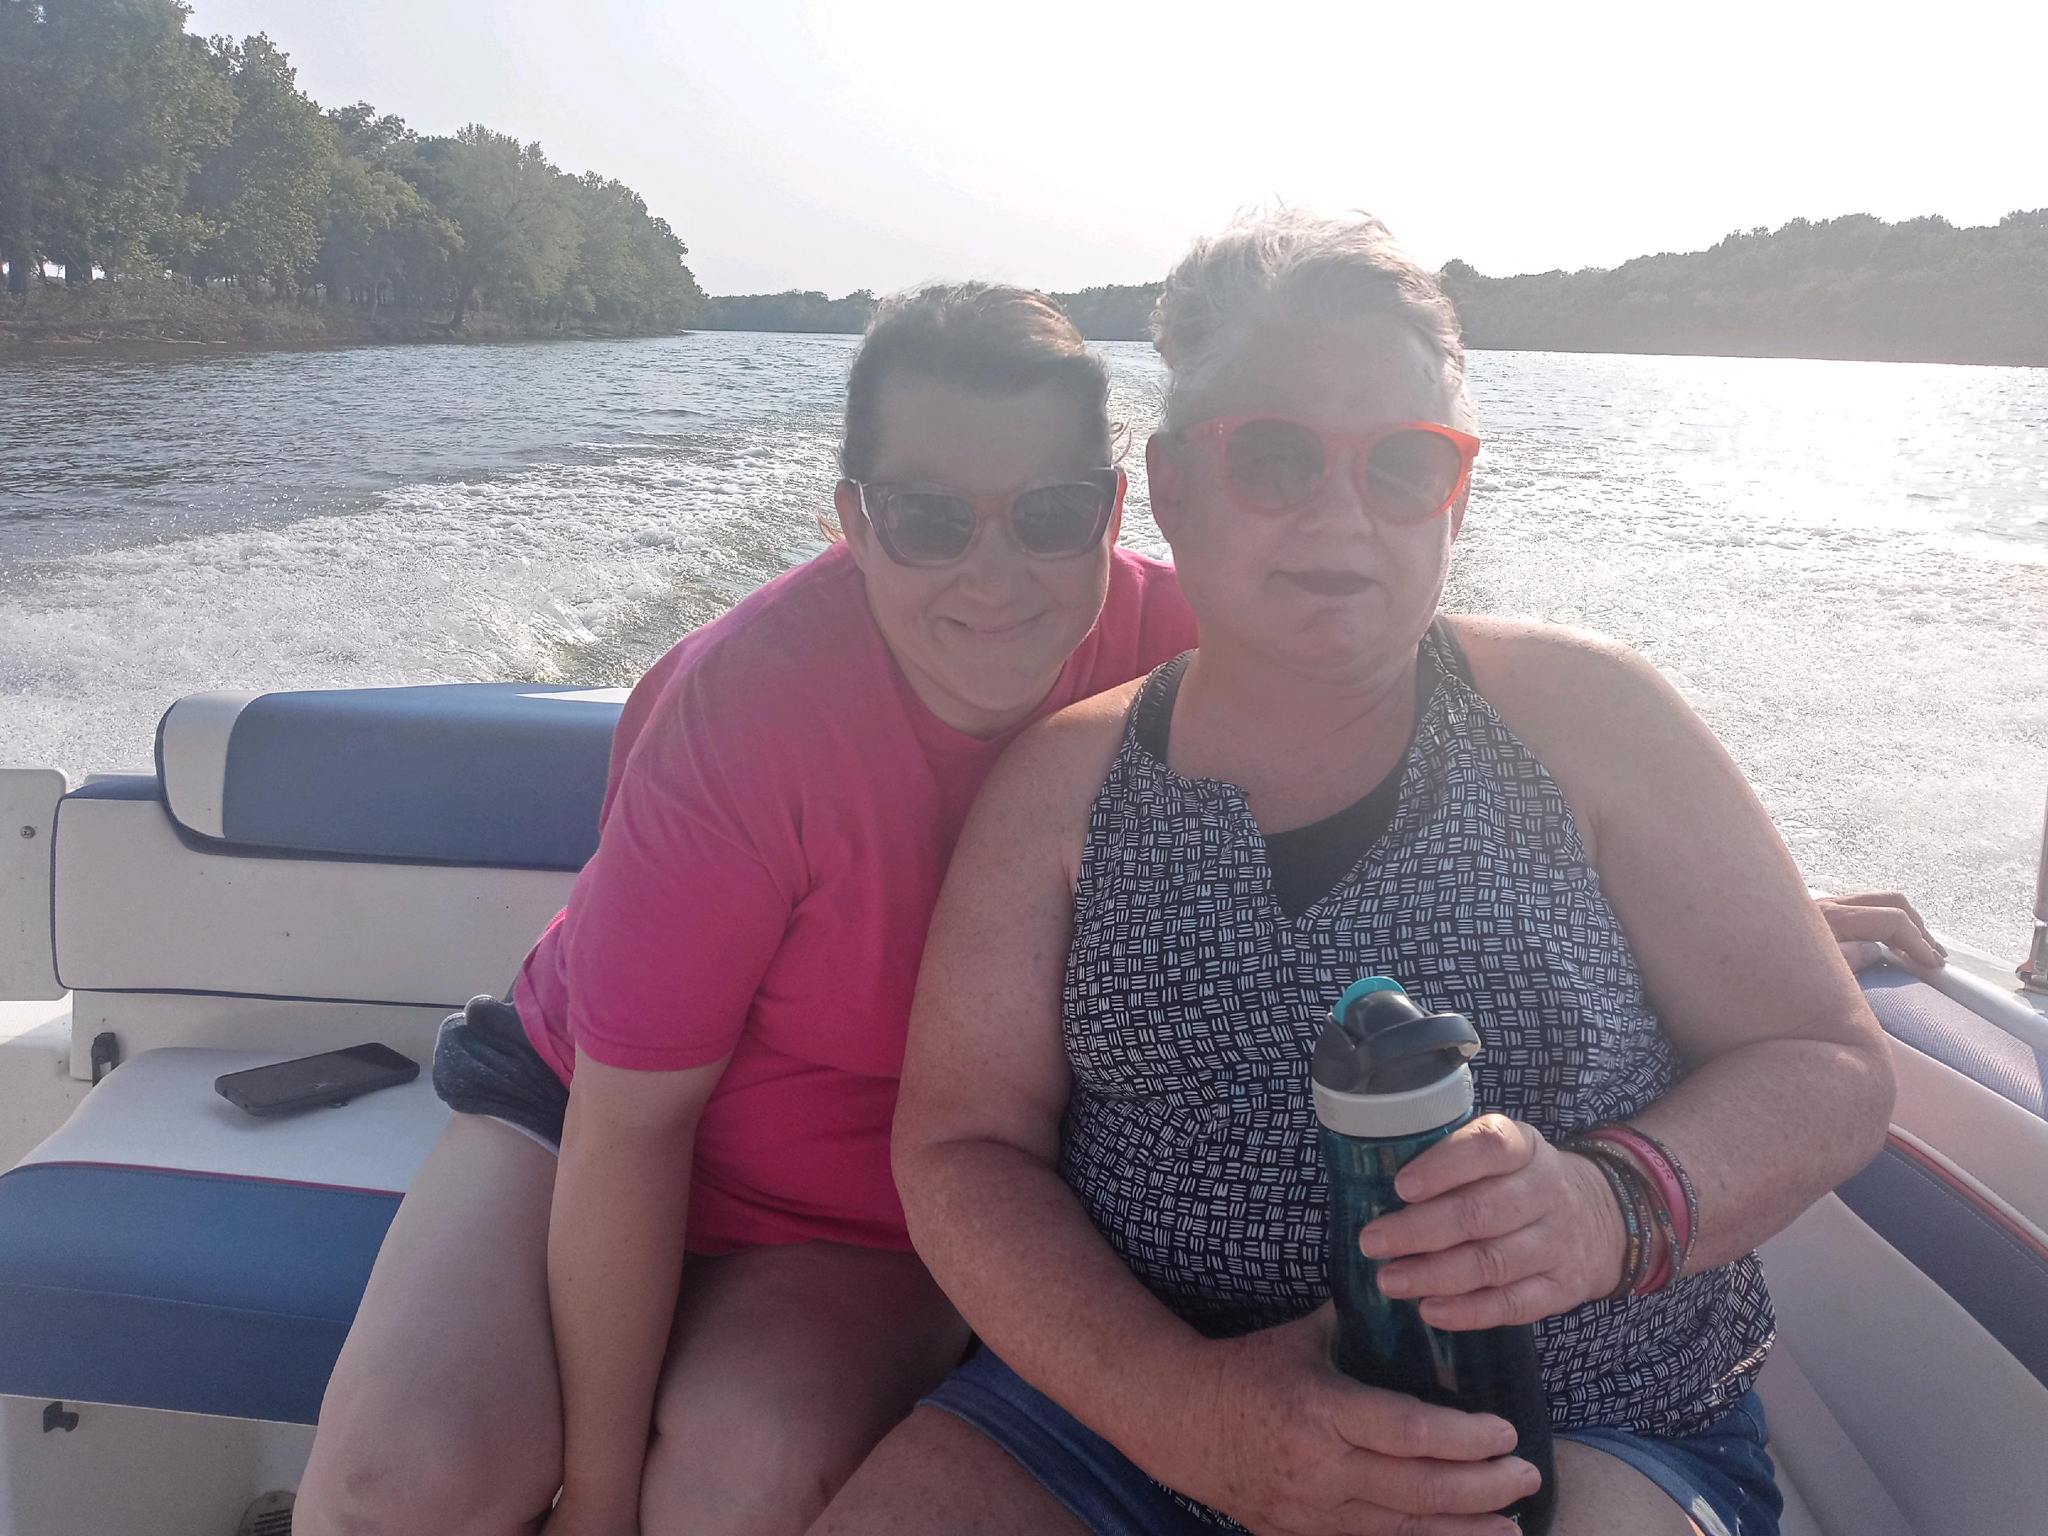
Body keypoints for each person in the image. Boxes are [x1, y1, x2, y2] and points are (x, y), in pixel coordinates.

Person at [813, 212, 1896, 1536]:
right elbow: (960, 1148)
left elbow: (1826, 1063)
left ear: (1460, 488)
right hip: (1116, 1423)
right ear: (1171, 487)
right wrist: (1191, 1419)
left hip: (1581, 1417)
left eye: (1403, 464)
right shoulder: (1063, 789)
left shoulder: (1590, 719)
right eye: (1272, 459)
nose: (1340, 515)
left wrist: (1607, 1208)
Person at [292, 283, 1198, 1536]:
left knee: (753, 1457)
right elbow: (632, 1124)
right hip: (587, 1111)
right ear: (852, 524)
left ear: (1112, 508)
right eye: (929, 519)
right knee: (398, 1490)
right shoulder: (750, 710)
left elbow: (1416, 677)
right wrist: (597, 1510)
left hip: (882, 1203)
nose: (996, 576)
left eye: (1048, 514)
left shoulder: (1196, 671)